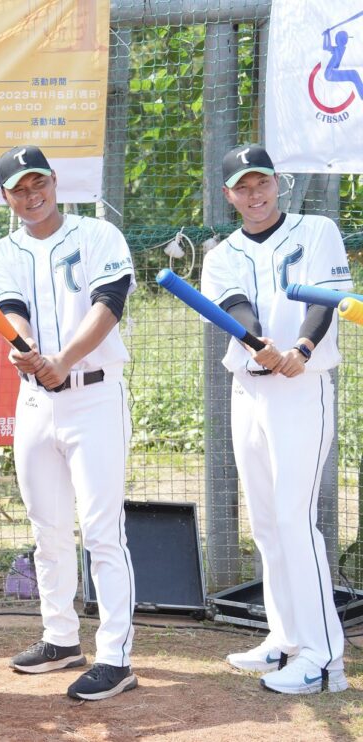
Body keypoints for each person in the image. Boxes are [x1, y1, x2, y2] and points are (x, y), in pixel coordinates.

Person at [0, 145, 138, 700]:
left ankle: (116, 655)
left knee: (101, 529)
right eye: (19, 189)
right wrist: (27, 351)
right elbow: (10, 308)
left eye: (38, 183)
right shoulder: (3, 249)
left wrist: (62, 360)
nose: (31, 195)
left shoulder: (98, 235)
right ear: (6, 197)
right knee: (46, 527)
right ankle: (60, 637)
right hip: (35, 401)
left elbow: (109, 303)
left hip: (93, 395)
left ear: (54, 181)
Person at [201, 144, 350, 694]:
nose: (254, 194)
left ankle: (323, 656)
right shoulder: (220, 254)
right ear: (229, 195)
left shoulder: (316, 230)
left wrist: (301, 349)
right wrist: (258, 344)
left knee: (294, 519)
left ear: (276, 182)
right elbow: (237, 306)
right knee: (265, 524)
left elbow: (326, 298)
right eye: (242, 186)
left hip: (300, 388)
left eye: (261, 182)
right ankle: (286, 637)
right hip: (250, 386)